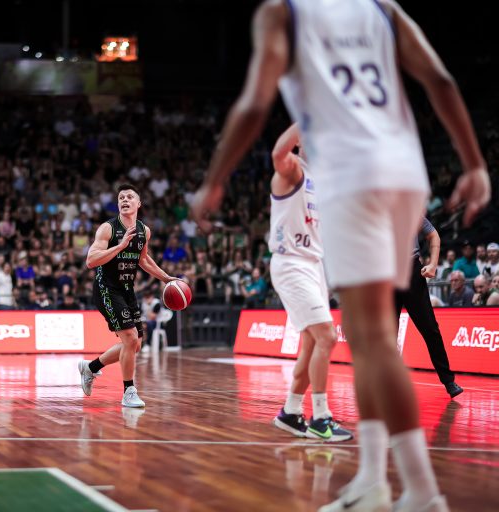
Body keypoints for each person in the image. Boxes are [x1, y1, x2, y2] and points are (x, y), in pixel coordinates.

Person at [190, 1, 490, 510]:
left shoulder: (283, 13)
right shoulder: (382, 8)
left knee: (370, 342)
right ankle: (378, 479)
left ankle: (413, 489)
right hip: (403, 174)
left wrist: (215, 179)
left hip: (355, 175)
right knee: (371, 342)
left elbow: (254, 106)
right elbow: (439, 80)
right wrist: (474, 163)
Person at [269, 124, 352, 442]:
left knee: (312, 342)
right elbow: (278, 152)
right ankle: (321, 418)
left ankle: (291, 411)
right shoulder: (293, 170)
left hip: (314, 265)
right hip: (292, 263)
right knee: (327, 336)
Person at [79, 184, 179, 408]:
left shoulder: (144, 231)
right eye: (121, 197)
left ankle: (90, 368)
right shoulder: (108, 228)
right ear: (118, 204)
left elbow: (143, 259)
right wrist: (121, 245)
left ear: (138, 203)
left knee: (135, 345)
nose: (125, 200)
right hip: (106, 288)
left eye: (129, 197)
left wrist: (166, 278)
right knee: (131, 338)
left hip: (127, 289)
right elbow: (91, 260)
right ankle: (128, 391)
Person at [395, 218, 462, 398]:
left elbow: (433, 235)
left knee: (430, 328)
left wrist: (433, 264)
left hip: (411, 271)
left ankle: (448, 381)